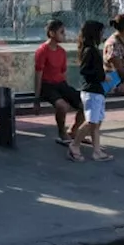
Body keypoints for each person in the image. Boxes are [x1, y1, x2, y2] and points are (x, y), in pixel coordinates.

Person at [33, 20, 85, 160]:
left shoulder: (62, 52)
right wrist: (36, 99)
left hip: (61, 84)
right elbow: (38, 75)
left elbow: (63, 73)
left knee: (86, 104)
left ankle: (73, 131)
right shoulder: (42, 51)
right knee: (62, 106)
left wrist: (67, 91)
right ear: (52, 33)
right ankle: (62, 132)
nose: (64, 35)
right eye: (61, 32)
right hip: (47, 86)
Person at [75, 20, 113, 162]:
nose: (103, 35)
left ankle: (96, 151)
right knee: (91, 121)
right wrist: (103, 76)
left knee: (95, 122)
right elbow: (85, 70)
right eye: (101, 32)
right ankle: (75, 144)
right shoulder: (90, 50)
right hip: (92, 90)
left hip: (96, 90)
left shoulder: (90, 49)